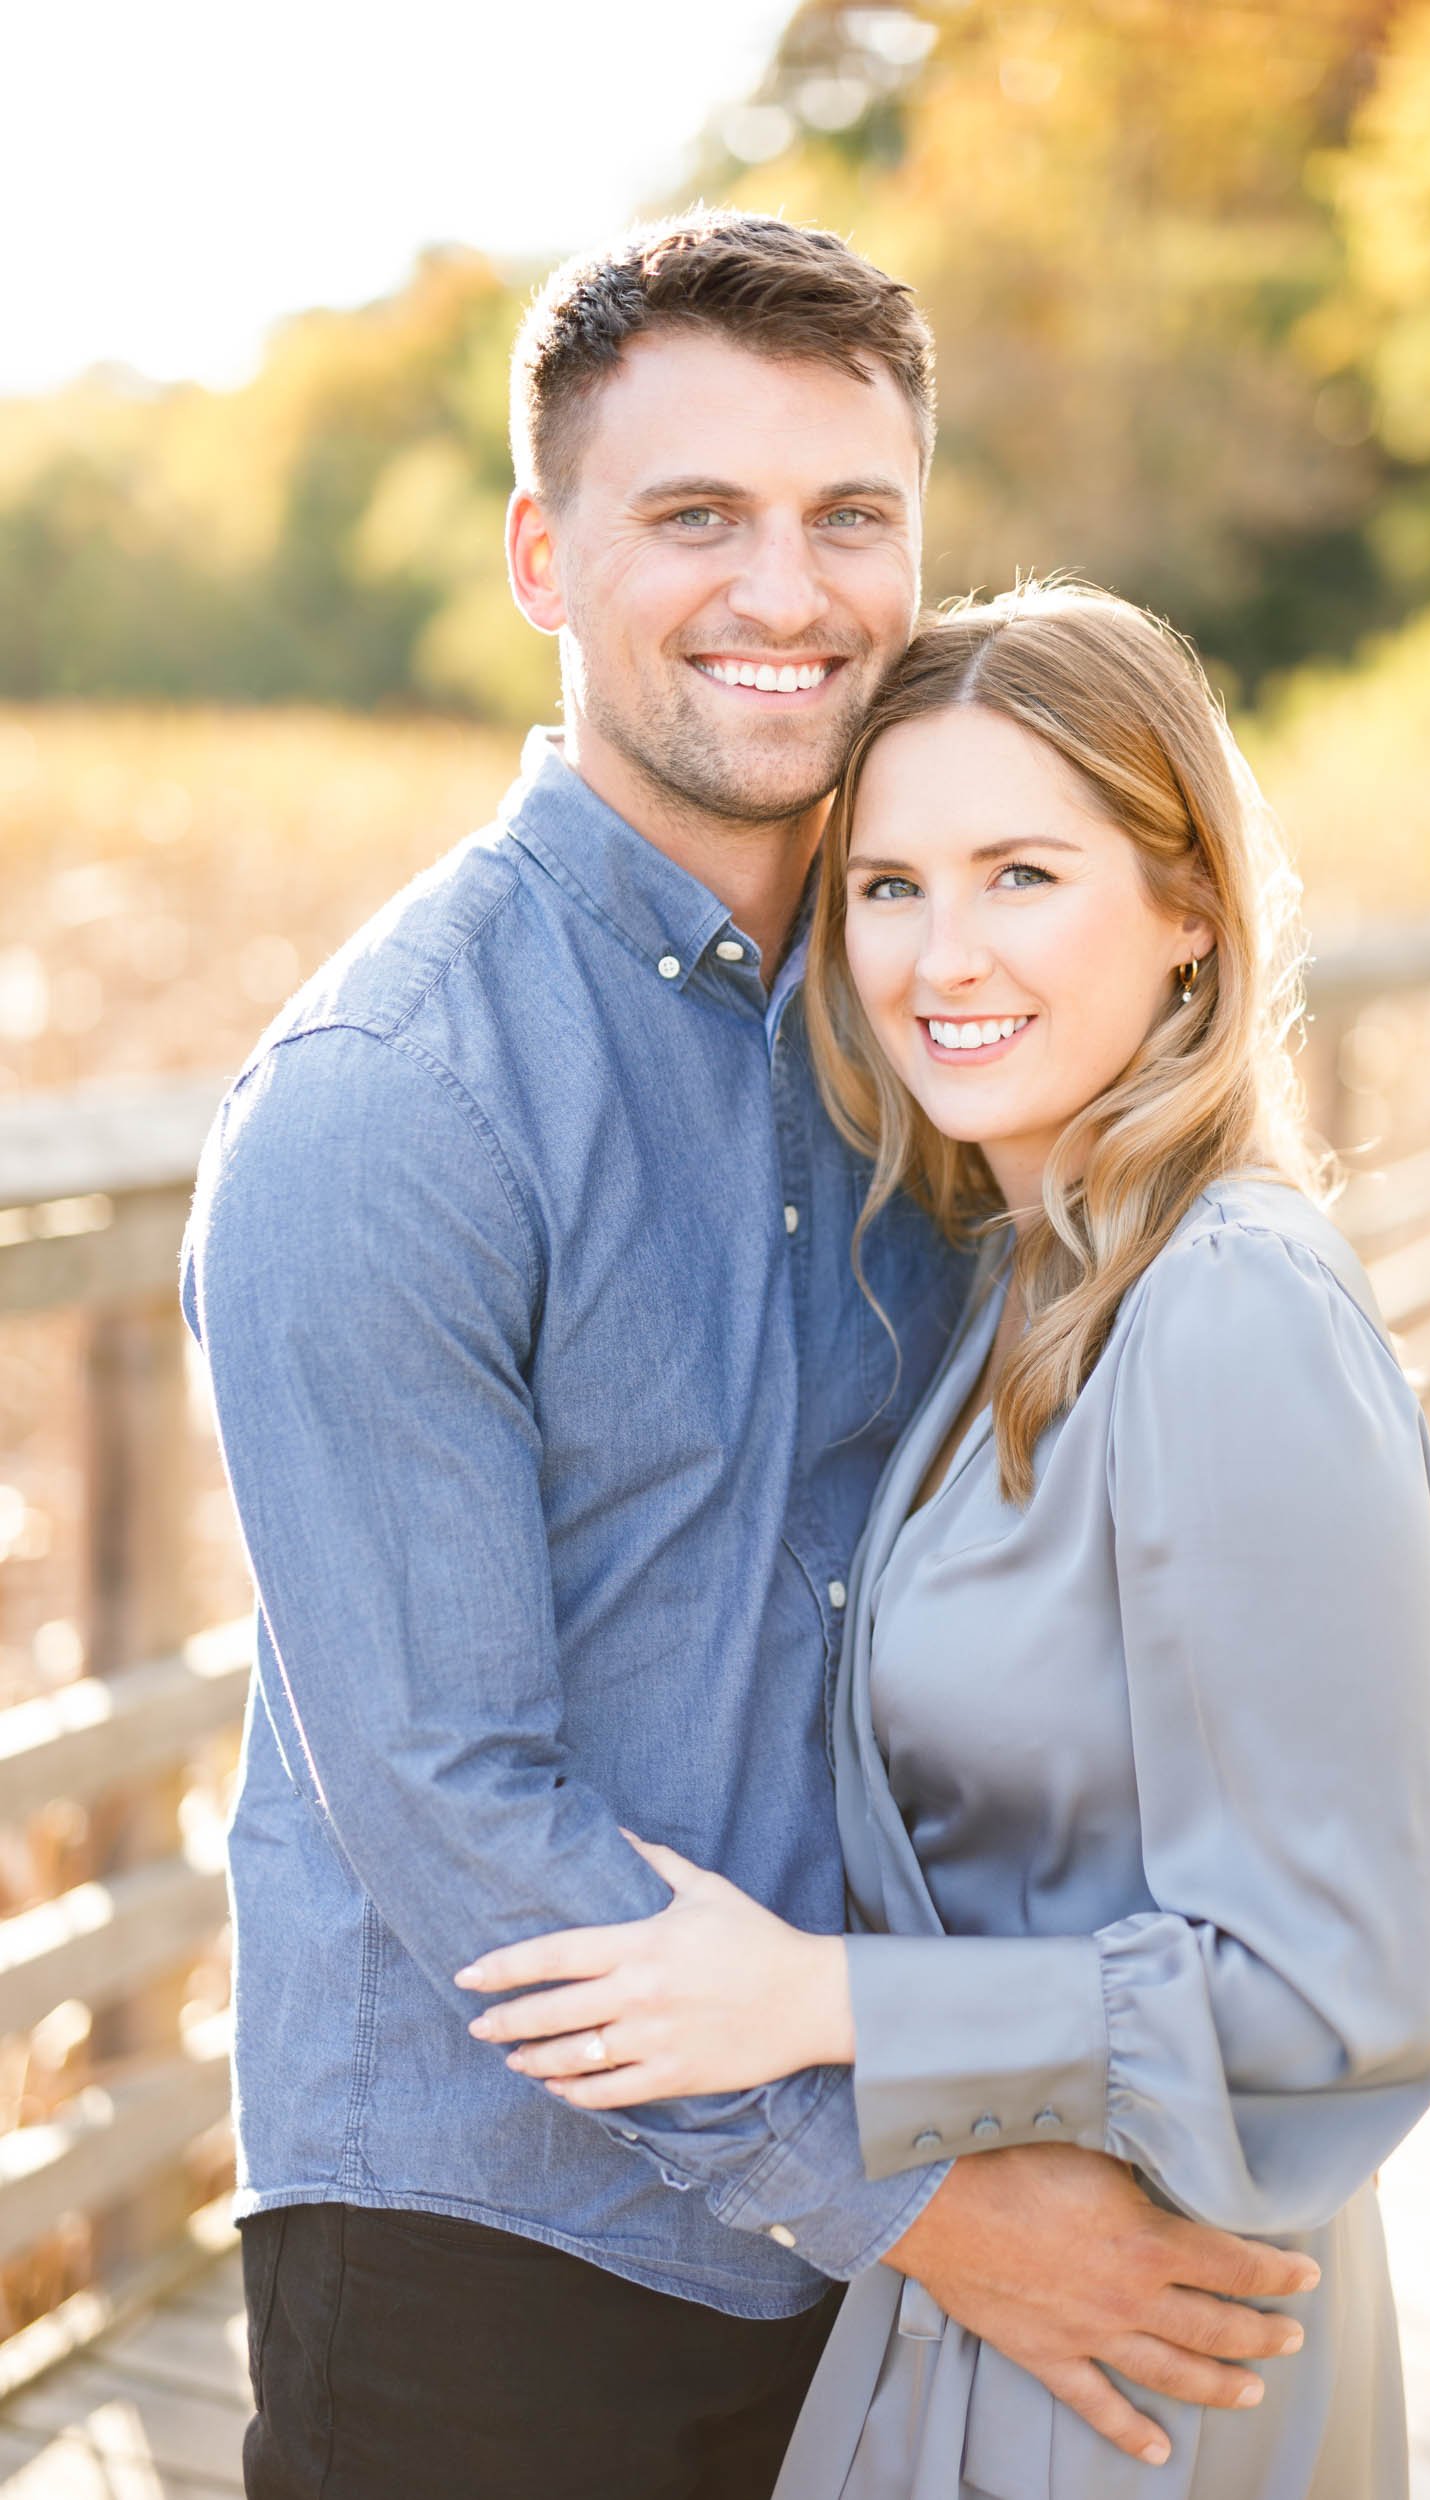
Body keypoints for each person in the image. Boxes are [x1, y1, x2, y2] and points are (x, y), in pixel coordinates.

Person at [184, 219, 1318, 2500]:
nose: (783, 590)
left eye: (849, 517)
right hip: (487, 2246)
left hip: (872, 2246)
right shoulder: (391, 1098)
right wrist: (921, 2188)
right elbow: (448, 1798)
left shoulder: (929, 1024)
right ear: (543, 552)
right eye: (695, 515)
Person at [459, 584, 1430, 2497]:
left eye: (1023, 873)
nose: (942, 955)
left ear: (1188, 912)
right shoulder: (1020, 1287)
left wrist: (813, 2000)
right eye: (889, 885)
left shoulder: (1229, 1307)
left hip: (1157, 2336)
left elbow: (1342, 1989)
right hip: (995, 2303)